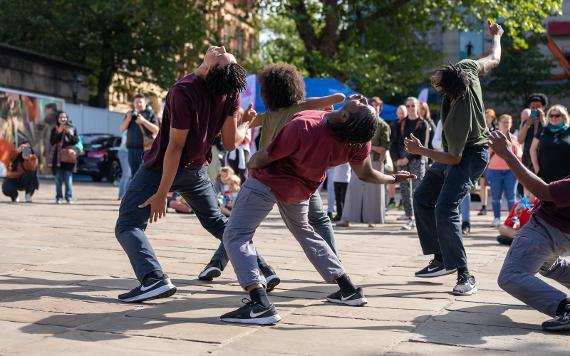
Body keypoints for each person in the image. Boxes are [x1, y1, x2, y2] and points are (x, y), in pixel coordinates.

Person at [219, 94, 416, 325]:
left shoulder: (305, 126)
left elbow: (265, 157)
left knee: (236, 234)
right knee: (305, 231)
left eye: (361, 106)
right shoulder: (358, 138)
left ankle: (260, 303)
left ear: (344, 115)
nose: (362, 100)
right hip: (301, 189)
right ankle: (348, 288)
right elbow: (365, 173)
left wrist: (251, 164)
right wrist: (392, 178)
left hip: (268, 182)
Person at [114, 46, 277, 303]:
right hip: (197, 170)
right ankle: (262, 270)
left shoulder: (184, 91)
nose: (221, 48)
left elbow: (175, 147)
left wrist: (161, 193)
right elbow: (232, 141)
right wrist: (245, 122)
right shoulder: (230, 90)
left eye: (223, 55)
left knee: (128, 224)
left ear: (211, 67)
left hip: (162, 167)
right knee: (217, 223)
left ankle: (153, 279)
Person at [199, 62, 346, 281]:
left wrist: (243, 117)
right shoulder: (301, 107)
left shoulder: (266, 116)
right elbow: (339, 98)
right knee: (318, 221)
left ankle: (217, 263)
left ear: (268, 92)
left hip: (265, 178)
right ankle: (335, 265)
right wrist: (320, 107)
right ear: (294, 87)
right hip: (298, 178)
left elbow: (241, 125)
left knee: (240, 225)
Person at [404, 20, 503, 296]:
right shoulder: (468, 68)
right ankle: (440, 258)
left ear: (449, 90)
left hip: (470, 155)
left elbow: (453, 158)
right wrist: (497, 36)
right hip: (454, 153)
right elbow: (494, 59)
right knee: (423, 197)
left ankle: (464, 275)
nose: (433, 81)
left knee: (445, 208)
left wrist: (421, 151)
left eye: (436, 83)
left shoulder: (458, 116)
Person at [490, 130, 570, 332]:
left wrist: (508, 154)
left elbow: (542, 191)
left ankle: (565, 307)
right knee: (549, 265)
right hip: (563, 236)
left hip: (545, 230)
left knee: (511, 276)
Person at [337, 96, 390, 228]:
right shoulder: (362, 121)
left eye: (376, 105)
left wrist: (377, 160)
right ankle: (347, 218)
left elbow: (384, 148)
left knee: (373, 191)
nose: (374, 106)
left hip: (376, 160)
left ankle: (372, 219)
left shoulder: (383, 125)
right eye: (371, 104)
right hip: (360, 157)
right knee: (353, 188)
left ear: (380, 107)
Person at [390, 97, 428, 229]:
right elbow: (393, 143)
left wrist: (408, 158)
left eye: (413, 105)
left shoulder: (423, 124)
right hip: (401, 160)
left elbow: (423, 146)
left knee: (418, 190)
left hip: (417, 160)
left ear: (417, 106)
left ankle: (419, 218)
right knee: (405, 190)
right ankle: (409, 216)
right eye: (408, 106)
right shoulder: (400, 123)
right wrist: (396, 159)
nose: (410, 108)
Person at [487, 114, 521, 227]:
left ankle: (514, 219)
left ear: (511, 124)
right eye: (504, 122)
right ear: (498, 124)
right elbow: (487, 154)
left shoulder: (514, 138)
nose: (506, 124)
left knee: (511, 197)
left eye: (508, 122)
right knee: (496, 197)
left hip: (510, 171)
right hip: (494, 170)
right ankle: (496, 218)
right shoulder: (493, 136)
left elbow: (519, 156)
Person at [119, 94, 159, 175]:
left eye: (140, 102)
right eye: (136, 102)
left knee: (144, 174)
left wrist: (144, 121)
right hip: (131, 150)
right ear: (133, 104)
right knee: (133, 174)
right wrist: (128, 119)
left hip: (145, 150)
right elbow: (121, 129)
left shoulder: (150, 114)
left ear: (145, 103)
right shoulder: (130, 114)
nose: (138, 104)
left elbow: (156, 130)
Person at [530, 105, 570, 184]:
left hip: (566, 177)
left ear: (563, 117)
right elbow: (532, 149)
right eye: (551, 115)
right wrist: (537, 170)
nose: (554, 118)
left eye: (557, 116)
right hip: (545, 176)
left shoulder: (568, 130)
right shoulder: (543, 130)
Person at [49, 111, 79, 204]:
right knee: (58, 179)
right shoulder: (55, 128)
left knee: (68, 178)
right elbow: (52, 142)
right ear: (58, 119)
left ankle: (68, 197)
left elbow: (76, 141)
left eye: (64, 117)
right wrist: (59, 132)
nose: (63, 119)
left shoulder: (72, 127)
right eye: (61, 117)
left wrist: (69, 133)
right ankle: (59, 197)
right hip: (57, 157)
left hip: (68, 157)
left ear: (67, 118)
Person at [519, 93, 548, 173]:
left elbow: (549, 135)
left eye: (538, 107)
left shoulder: (549, 121)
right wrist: (527, 125)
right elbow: (520, 141)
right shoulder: (526, 122)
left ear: (543, 107)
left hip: (542, 155)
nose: (535, 109)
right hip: (527, 156)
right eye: (533, 107)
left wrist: (542, 120)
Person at [477, 108, 498, 215]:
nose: (486, 118)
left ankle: (495, 206)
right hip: (483, 159)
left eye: (488, 116)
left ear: (493, 118)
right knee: (483, 184)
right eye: (485, 115)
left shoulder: (496, 130)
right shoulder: (480, 129)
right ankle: (484, 206)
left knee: (494, 185)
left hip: (493, 160)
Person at [387, 105, 408, 209]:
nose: (401, 114)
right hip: (395, 157)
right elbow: (392, 143)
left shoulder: (410, 124)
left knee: (405, 181)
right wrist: (395, 159)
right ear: (396, 114)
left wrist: (405, 158)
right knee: (392, 178)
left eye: (403, 112)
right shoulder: (393, 125)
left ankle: (404, 203)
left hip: (406, 158)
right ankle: (392, 200)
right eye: (399, 112)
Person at [224, 108, 250, 183]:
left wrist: (239, 131)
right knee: (232, 173)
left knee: (243, 173)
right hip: (232, 150)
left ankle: (243, 191)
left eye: (238, 115)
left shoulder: (245, 125)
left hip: (242, 150)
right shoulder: (230, 125)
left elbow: (248, 139)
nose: (236, 117)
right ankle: (232, 192)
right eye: (235, 115)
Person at [117, 131, 131, 200]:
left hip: (127, 152)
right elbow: (125, 143)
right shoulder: (127, 130)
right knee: (126, 175)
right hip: (125, 152)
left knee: (127, 175)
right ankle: (122, 195)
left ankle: (123, 194)